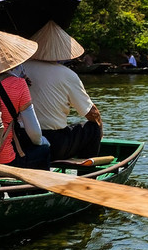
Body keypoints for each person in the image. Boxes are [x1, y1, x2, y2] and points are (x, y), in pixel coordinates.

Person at [0, 28, 50, 169]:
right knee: (45, 147)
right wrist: (42, 141)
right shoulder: (18, 84)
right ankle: (24, 191)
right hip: (3, 160)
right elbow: (35, 134)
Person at [22, 21, 103, 162]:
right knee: (93, 127)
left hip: (21, 141)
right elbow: (92, 113)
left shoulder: (18, 69)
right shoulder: (67, 74)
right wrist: (100, 132)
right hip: (55, 144)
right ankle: (87, 177)